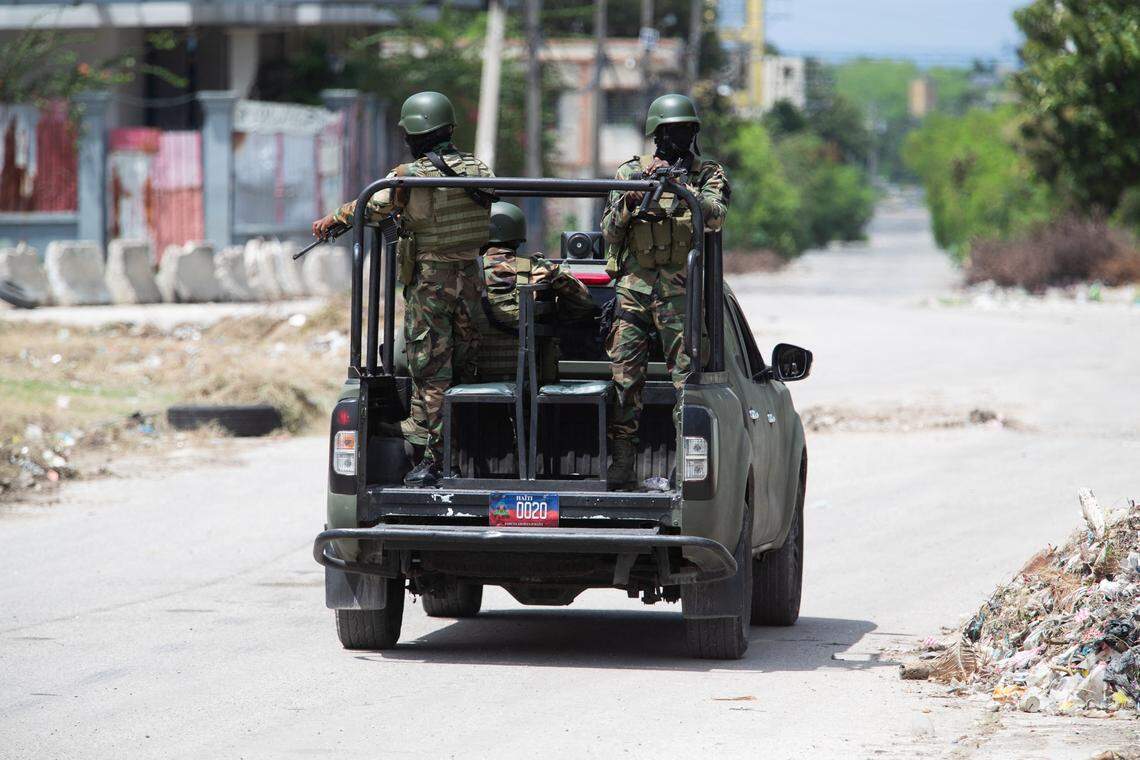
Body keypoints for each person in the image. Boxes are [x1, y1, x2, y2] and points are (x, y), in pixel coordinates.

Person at [312, 91, 493, 487]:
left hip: (431, 288)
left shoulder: (408, 177)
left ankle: (436, 462)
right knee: (465, 368)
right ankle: (466, 453)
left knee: (430, 374)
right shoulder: (478, 169)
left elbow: (371, 206)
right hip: (470, 282)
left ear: (414, 133)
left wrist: (335, 218)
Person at [599, 93, 730, 489]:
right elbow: (608, 230)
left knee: (688, 381)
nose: (681, 137)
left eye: (687, 130)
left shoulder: (707, 173)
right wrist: (633, 198)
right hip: (634, 291)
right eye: (673, 131)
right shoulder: (629, 172)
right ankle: (623, 462)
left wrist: (681, 186)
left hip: (679, 292)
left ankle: (684, 464)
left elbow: (716, 215)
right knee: (624, 379)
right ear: (657, 133)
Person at [477, 201, 598, 381]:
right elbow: (585, 304)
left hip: (473, 378)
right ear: (518, 235)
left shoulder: (464, 272)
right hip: (531, 377)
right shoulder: (540, 268)